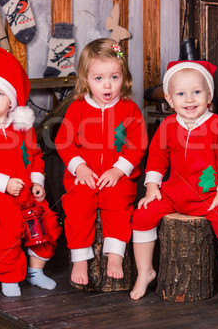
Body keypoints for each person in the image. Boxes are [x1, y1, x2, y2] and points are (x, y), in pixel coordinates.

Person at [130, 60, 218, 308]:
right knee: (142, 216)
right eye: (181, 94)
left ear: (209, 95)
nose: (189, 99)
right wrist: (152, 187)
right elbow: (157, 158)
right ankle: (145, 271)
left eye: (197, 92)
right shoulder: (168, 126)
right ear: (170, 100)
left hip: (210, 196)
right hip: (174, 194)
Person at [0, 47, 62, 297]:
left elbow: (35, 156)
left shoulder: (21, 127)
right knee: (12, 221)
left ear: (12, 100)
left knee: (47, 218)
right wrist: (4, 184)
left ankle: (36, 270)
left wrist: (37, 182)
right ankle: (8, 274)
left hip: (24, 188)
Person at [55, 39, 147, 285]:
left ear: (124, 77)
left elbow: (137, 144)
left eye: (114, 77)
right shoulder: (77, 108)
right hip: (83, 176)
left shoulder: (130, 110)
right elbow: (64, 141)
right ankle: (80, 258)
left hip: (117, 177)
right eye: (99, 79)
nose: (107, 85)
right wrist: (80, 167)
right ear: (86, 79)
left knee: (118, 203)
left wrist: (119, 170)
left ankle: (115, 254)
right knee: (77, 205)